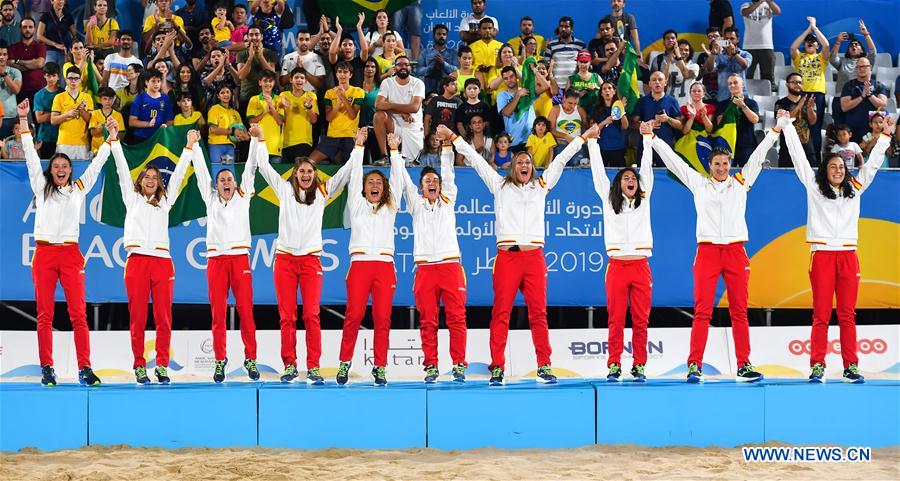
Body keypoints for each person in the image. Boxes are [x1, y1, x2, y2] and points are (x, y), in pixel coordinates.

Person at [650, 111, 793, 383]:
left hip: (736, 251)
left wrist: (775, 130)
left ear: (730, 164)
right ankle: (694, 365)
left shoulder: (741, 183)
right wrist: (654, 139)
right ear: (710, 164)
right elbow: (675, 163)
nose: (721, 168)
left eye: (725, 163)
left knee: (739, 310)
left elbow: (758, 157)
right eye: (716, 164)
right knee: (702, 310)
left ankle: (743, 364)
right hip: (707, 252)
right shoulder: (699, 184)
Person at [451, 128, 586, 387]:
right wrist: (456, 139)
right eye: (520, 162)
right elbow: (477, 161)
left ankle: (544, 365)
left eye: (528, 162)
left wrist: (582, 138)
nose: (524, 165)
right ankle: (497, 367)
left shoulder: (541, 187)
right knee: (500, 313)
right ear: (512, 166)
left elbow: (560, 160)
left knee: (539, 314)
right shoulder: (500, 185)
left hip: (534, 257)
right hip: (507, 258)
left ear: (533, 167)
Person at [782, 112, 894, 383]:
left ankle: (850, 365)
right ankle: (817, 364)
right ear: (825, 170)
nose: (838, 170)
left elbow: (871, 166)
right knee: (821, 314)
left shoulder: (855, 188)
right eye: (833, 167)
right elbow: (798, 159)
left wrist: (885, 137)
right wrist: (786, 126)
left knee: (847, 314)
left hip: (848, 256)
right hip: (821, 255)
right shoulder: (814, 188)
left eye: (842, 168)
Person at [20, 99, 112, 387]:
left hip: (71, 255)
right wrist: (24, 120)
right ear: (51, 171)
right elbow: (30, 157)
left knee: (78, 314)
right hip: (45, 254)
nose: (60, 169)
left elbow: (96, 167)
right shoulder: (41, 187)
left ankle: (85, 368)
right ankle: (47, 367)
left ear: (71, 171)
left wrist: (109, 140)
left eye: (65, 166)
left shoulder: (78, 190)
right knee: (44, 314)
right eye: (56, 165)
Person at [257, 128, 357, 385]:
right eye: (301, 171)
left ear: (315, 175)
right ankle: (290, 365)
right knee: (287, 315)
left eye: (310, 171)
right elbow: (264, 167)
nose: (305, 174)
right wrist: (260, 138)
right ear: (294, 174)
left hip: (311, 261)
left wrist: (357, 147)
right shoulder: (284, 191)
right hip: (285, 261)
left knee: (311, 315)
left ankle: (313, 367)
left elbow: (344, 175)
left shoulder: (322, 194)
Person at [113, 125, 199, 385]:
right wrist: (115, 140)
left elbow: (181, 173)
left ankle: (161, 365)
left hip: (162, 262)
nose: (151, 180)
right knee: (137, 317)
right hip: (137, 261)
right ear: (140, 180)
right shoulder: (131, 196)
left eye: (155, 177)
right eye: (146, 176)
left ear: (159, 182)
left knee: (163, 317)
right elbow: (120, 167)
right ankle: (140, 365)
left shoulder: (166, 201)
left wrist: (189, 147)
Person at [191, 123, 261, 383]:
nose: (226, 182)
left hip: (239, 258)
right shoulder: (210, 199)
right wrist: (196, 146)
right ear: (217, 185)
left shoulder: (244, 196)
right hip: (216, 260)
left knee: (246, 311)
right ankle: (220, 360)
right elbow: (200, 174)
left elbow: (251, 168)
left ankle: (250, 358)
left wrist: (254, 141)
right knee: (218, 314)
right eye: (222, 180)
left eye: (230, 179)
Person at [585, 121, 653, 382]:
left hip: (640, 267)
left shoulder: (644, 198)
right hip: (617, 267)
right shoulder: (607, 198)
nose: (631, 180)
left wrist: (647, 140)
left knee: (641, 321)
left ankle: (639, 365)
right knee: (615, 320)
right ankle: (614, 364)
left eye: (633, 178)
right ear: (618, 183)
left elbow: (646, 167)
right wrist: (592, 142)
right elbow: (598, 173)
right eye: (626, 177)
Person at [337, 129, 404, 387]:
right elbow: (354, 176)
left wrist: (395, 152)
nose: (374, 185)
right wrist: (358, 146)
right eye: (370, 183)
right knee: (353, 315)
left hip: (385, 266)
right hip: (360, 266)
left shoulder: (391, 206)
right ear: (363, 189)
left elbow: (397, 179)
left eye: (379, 183)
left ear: (384, 188)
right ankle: (344, 363)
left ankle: (380, 367)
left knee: (383, 319)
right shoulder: (356, 203)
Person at [402, 125, 468, 382]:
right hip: (426, 269)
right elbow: (403, 180)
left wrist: (447, 146)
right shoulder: (416, 205)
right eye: (428, 181)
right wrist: (396, 152)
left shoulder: (449, 198)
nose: (433, 183)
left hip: (450, 266)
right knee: (428, 320)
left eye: (435, 181)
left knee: (456, 319)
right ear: (421, 188)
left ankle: (459, 363)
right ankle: (431, 365)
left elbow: (449, 173)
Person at [790, 16, 829, 164]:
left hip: (817, 95)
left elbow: (826, 46)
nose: (810, 43)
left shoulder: (821, 58)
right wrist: (808, 31)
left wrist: (815, 29)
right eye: (808, 41)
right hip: (801, 94)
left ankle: (815, 162)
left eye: (813, 42)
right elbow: (793, 47)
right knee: (799, 127)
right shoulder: (799, 57)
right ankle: (799, 160)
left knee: (815, 128)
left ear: (816, 46)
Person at [310, 61, 364, 164]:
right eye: (339, 72)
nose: (342, 74)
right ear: (336, 74)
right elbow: (329, 118)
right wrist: (338, 103)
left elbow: (353, 115)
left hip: (350, 136)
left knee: (347, 167)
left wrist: (343, 97)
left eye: (345, 72)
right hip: (332, 136)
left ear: (350, 75)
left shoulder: (358, 91)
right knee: (310, 161)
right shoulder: (329, 93)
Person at [373, 56, 425, 164]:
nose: (403, 67)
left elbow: (414, 108)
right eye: (400, 64)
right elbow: (378, 105)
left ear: (410, 68)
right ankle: (384, 156)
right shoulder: (387, 82)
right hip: (394, 125)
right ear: (394, 68)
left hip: (412, 126)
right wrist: (401, 112)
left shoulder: (418, 83)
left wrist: (389, 105)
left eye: (406, 64)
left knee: (410, 163)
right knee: (378, 115)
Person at [632, 71, 682, 162]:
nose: (657, 82)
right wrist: (645, 124)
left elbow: (680, 125)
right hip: (645, 146)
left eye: (660, 79)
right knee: (643, 175)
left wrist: (667, 119)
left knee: (665, 175)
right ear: (650, 84)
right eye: (654, 80)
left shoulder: (672, 101)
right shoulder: (642, 101)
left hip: (665, 147)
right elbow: (633, 124)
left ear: (665, 82)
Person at [839, 57, 888, 144]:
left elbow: (882, 105)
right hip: (853, 130)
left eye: (864, 66)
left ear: (871, 67)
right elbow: (844, 107)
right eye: (859, 67)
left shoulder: (879, 85)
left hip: (873, 130)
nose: (861, 69)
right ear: (856, 69)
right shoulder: (849, 85)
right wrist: (862, 96)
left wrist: (869, 95)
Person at [717, 74, 759, 166]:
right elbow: (719, 123)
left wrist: (743, 106)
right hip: (727, 145)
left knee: (748, 177)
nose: (732, 85)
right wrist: (731, 108)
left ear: (742, 85)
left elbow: (755, 119)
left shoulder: (751, 103)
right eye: (730, 83)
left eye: (735, 83)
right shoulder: (722, 104)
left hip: (747, 145)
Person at [775, 72, 816, 166]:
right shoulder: (780, 103)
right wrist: (799, 106)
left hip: (806, 146)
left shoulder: (808, 101)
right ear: (787, 84)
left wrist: (809, 108)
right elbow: (782, 122)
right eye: (794, 82)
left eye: (800, 82)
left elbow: (813, 121)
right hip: (787, 148)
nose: (797, 85)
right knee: (786, 177)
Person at [49, 65, 91, 160]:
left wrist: (82, 111)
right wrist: (67, 114)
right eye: (70, 78)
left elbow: (91, 121)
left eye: (76, 78)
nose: (73, 81)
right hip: (64, 142)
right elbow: (53, 120)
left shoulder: (87, 97)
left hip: (82, 142)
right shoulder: (59, 97)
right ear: (66, 79)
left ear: (80, 80)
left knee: (82, 172)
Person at [279, 67, 319, 162]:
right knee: (286, 175)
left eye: (302, 78)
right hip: (285, 143)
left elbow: (314, 120)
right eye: (296, 77)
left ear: (305, 81)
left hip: (304, 142)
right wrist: (286, 107)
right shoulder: (283, 95)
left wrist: (309, 107)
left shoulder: (311, 96)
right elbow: (281, 120)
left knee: (299, 170)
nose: (299, 80)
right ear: (291, 80)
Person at [246, 70, 285, 162]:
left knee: (273, 176)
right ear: (260, 83)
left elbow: (280, 121)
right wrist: (265, 112)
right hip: (258, 145)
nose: (268, 84)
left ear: (274, 83)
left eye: (270, 81)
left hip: (274, 146)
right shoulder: (254, 100)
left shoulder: (279, 99)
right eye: (265, 81)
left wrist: (271, 106)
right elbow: (251, 121)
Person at [830, 21, 877, 97]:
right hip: (841, 97)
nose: (853, 46)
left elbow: (873, 52)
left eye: (856, 44)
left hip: (861, 97)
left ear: (862, 50)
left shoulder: (866, 62)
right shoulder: (843, 61)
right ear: (848, 50)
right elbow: (832, 58)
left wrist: (866, 34)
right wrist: (838, 42)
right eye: (851, 45)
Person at [496, 66, 536, 152]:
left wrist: (533, 70)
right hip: (514, 141)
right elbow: (506, 112)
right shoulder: (502, 95)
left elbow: (545, 86)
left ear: (516, 76)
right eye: (506, 78)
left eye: (511, 76)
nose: (509, 80)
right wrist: (518, 95)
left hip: (532, 139)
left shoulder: (527, 90)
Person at [740, 0, 780, 86]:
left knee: (768, 77)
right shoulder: (746, 5)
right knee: (747, 75)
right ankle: (746, 96)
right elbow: (745, 13)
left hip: (767, 46)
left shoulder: (768, 5)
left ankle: (766, 97)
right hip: (749, 46)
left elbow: (777, 11)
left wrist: (768, 1)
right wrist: (759, 3)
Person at [707, 27, 751, 102]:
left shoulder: (745, 54)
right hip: (722, 97)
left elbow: (745, 65)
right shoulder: (719, 55)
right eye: (727, 39)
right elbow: (710, 69)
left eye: (732, 38)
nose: (729, 41)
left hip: (741, 97)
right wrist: (713, 53)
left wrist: (734, 53)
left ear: (737, 40)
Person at [236, 26, 277, 106]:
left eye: (256, 34)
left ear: (261, 37)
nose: (254, 37)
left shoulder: (270, 53)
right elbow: (241, 76)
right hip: (246, 98)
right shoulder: (241, 54)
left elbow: (272, 75)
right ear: (247, 37)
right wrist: (250, 58)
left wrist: (260, 57)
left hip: (266, 98)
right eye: (251, 35)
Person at [129, 69, 174, 142]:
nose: (156, 84)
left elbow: (170, 121)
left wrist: (165, 126)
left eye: (158, 81)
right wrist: (148, 124)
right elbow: (132, 122)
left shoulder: (166, 99)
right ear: (146, 82)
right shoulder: (139, 98)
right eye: (153, 81)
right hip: (141, 137)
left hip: (160, 138)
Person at [206, 84, 246, 164]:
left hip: (230, 147)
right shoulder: (214, 109)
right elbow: (213, 129)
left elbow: (242, 132)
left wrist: (244, 136)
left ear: (231, 94)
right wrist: (232, 132)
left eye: (228, 92)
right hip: (216, 145)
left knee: (228, 170)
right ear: (218, 96)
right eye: (222, 93)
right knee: (217, 170)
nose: (225, 95)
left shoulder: (235, 113)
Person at [592, 81, 629, 166]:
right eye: (604, 89)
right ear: (601, 93)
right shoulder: (596, 109)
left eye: (609, 88)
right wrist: (604, 122)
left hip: (618, 147)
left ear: (614, 91)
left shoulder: (619, 106)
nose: (607, 91)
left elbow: (625, 126)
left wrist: (621, 110)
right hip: (601, 147)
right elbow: (593, 130)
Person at [8, 17, 45, 103]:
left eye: (30, 27)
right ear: (20, 29)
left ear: (34, 29)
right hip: (19, 88)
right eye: (24, 27)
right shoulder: (13, 47)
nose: (27, 30)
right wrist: (32, 63)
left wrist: (18, 61)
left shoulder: (40, 46)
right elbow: (11, 65)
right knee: (19, 116)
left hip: (38, 88)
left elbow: (39, 64)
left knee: (37, 117)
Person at [327, 14, 368, 88]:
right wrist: (339, 31)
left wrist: (359, 27)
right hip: (339, 97)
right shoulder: (337, 62)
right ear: (340, 48)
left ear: (355, 47)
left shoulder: (359, 61)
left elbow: (365, 50)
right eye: (345, 45)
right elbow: (332, 52)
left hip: (357, 97)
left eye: (350, 44)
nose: (347, 47)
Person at [548, 88, 587, 166]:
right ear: (564, 98)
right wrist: (566, 136)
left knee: (577, 167)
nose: (572, 106)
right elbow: (550, 130)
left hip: (577, 144)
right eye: (570, 103)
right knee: (560, 167)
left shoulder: (580, 110)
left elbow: (586, 127)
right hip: (560, 144)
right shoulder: (556, 109)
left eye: (575, 103)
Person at [417, 24, 458, 96]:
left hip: (447, 90)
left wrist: (443, 63)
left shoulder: (453, 53)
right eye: (439, 34)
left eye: (444, 34)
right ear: (434, 36)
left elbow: (456, 70)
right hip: (429, 91)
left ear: (446, 36)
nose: (441, 36)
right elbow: (419, 71)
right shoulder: (425, 52)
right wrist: (432, 66)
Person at [545, 16, 585, 88]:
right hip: (556, 87)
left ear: (572, 29)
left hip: (574, 87)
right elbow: (546, 64)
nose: (563, 29)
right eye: (561, 26)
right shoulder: (551, 45)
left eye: (566, 26)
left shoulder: (580, 45)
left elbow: (585, 65)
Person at [36, 0, 75, 68]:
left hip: (65, 52)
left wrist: (71, 50)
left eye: (62, 0)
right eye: (58, 0)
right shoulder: (46, 16)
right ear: (52, 1)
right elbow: (39, 36)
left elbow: (75, 35)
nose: (60, 2)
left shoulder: (68, 16)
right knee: (50, 73)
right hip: (50, 50)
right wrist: (55, 44)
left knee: (64, 76)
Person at [32, 62, 59, 158]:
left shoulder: (63, 93)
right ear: (44, 76)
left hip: (61, 136)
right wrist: (57, 114)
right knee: (46, 167)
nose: (51, 79)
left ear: (58, 77)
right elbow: (39, 119)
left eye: (54, 75)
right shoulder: (39, 95)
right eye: (48, 75)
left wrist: (47, 114)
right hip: (45, 137)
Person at [88, 87, 125, 154]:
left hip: (112, 150)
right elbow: (92, 133)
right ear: (100, 100)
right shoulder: (95, 113)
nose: (107, 101)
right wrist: (102, 128)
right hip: (96, 150)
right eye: (105, 99)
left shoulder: (118, 115)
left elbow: (121, 135)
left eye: (110, 99)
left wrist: (112, 131)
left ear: (114, 99)